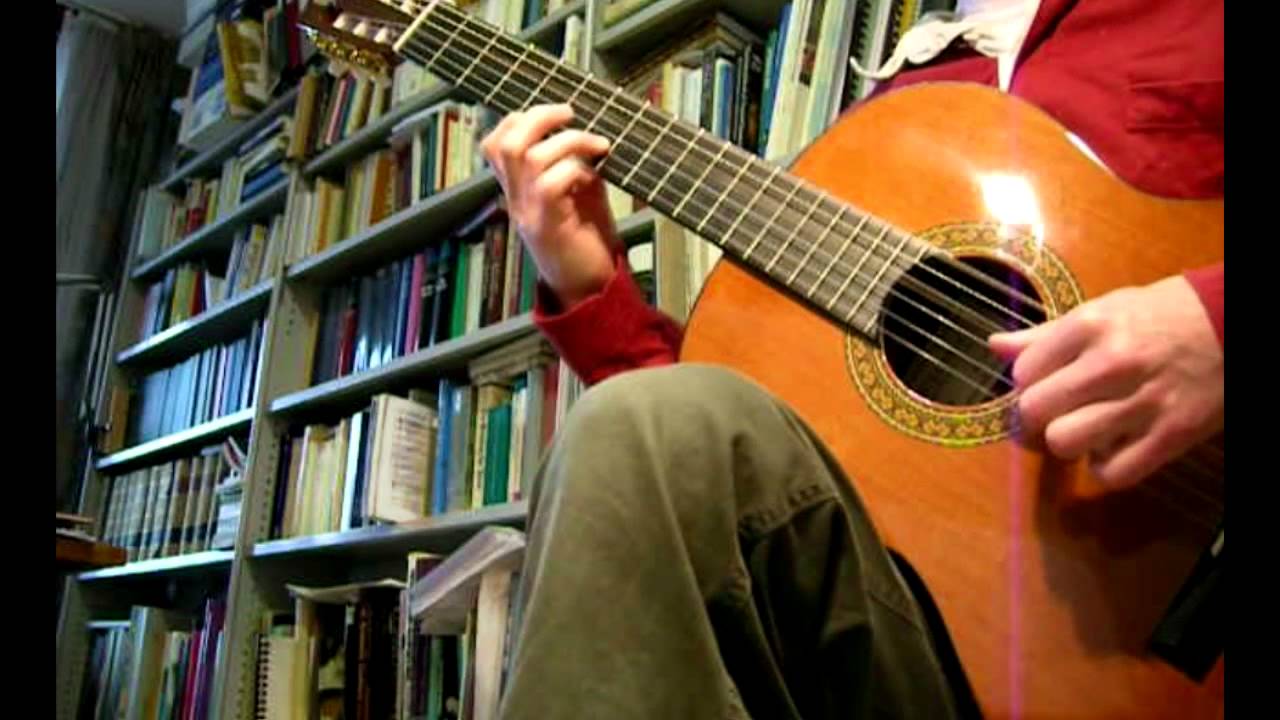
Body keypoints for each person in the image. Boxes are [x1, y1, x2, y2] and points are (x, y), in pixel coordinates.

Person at [482, 1, 1224, 717]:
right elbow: (716, 470)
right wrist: (589, 285)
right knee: (636, 426)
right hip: (919, 656)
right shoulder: (892, 119)